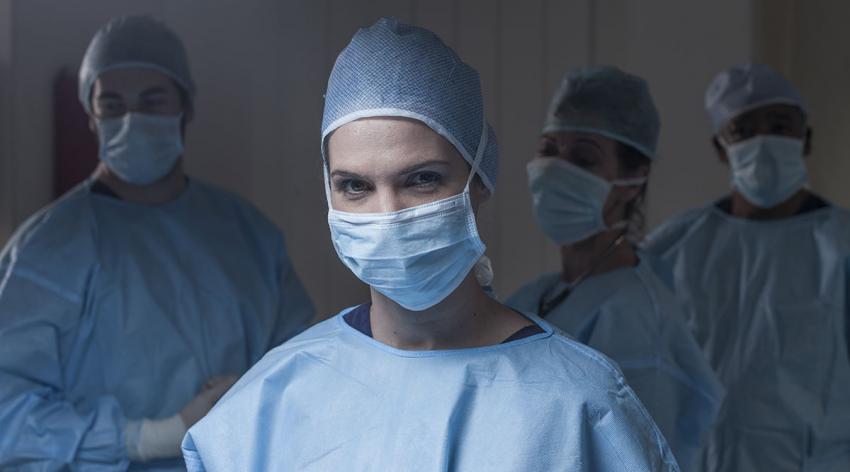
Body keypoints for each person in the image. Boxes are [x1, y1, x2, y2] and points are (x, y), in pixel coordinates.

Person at [181, 18, 679, 472]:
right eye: (354, 186)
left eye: (422, 180)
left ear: (479, 179)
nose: (388, 215)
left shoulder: (580, 407)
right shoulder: (266, 403)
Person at [0, 15, 314, 470]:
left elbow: (302, 368)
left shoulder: (246, 233)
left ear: (186, 106)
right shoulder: (46, 249)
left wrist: (256, 394)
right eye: (112, 104)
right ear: (91, 116)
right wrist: (153, 437)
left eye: (152, 100)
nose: (132, 119)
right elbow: (6, 417)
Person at [506, 66, 724, 469]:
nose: (556, 168)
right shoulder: (537, 295)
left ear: (634, 179)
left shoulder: (636, 316)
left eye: (583, 158)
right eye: (549, 150)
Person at [644, 63, 850, 470]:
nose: (765, 139)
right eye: (744, 129)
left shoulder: (841, 245)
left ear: (805, 138)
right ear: (720, 147)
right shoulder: (673, 247)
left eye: (780, 124)